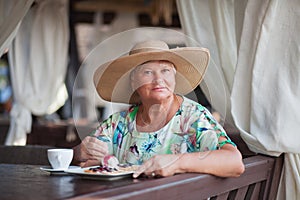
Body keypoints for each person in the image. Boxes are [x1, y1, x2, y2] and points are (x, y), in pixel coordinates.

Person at [73, 40, 245, 178]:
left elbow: (234, 162)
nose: (158, 79)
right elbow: (86, 161)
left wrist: (176, 162)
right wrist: (79, 152)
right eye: (148, 72)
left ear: (175, 78)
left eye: (165, 71)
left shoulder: (193, 117)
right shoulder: (118, 123)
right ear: (134, 82)